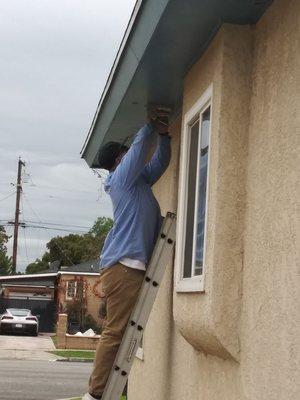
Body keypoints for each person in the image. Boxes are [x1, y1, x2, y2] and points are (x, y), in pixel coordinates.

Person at [83, 112, 171, 400]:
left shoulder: (139, 182)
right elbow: (138, 154)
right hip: (123, 265)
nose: (133, 159)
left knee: (119, 329)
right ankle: (95, 394)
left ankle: (101, 389)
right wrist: (150, 127)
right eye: (126, 155)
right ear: (119, 162)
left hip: (128, 264)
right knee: (116, 330)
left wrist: (166, 137)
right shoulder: (121, 180)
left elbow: (158, 163)